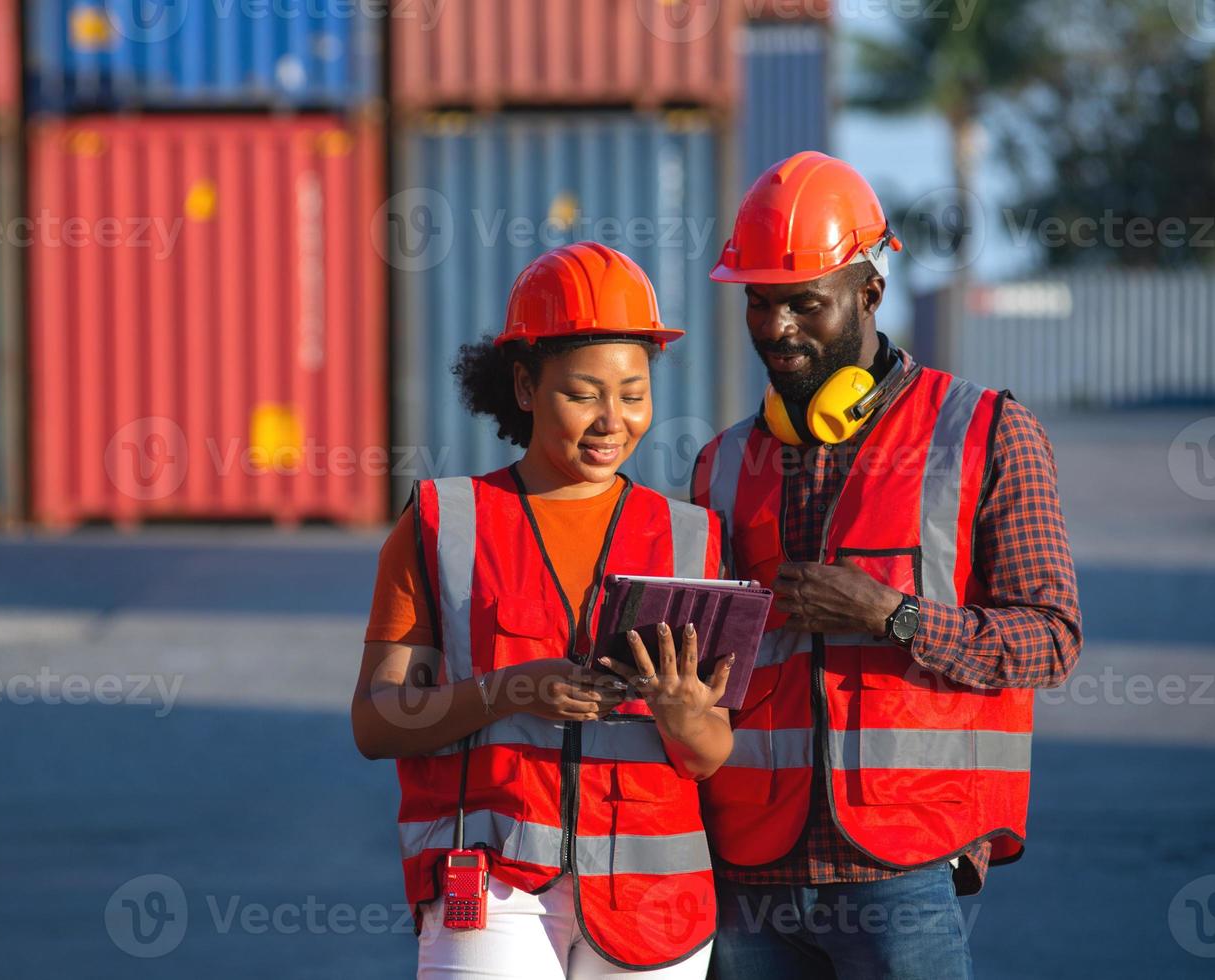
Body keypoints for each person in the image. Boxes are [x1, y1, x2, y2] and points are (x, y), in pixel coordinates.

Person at [691, 151, 1083, 979]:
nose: (778, 328)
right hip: (747, 874)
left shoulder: (983, 433)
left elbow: (1049, 639)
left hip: (899, 867)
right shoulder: (720, 464)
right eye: (760, 304)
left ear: (869, 292)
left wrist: (891, 616)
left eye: (805, 303)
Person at [353, 241, 737, 979]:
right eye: (582, 393)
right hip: (491, 886)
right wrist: (511, 691)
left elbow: (710, 754)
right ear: (524, 387)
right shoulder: (444, 521)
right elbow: (375, 723)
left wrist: (682, 710)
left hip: (651, 898)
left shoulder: (693, 538)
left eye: (632, 394)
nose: (610, 420)